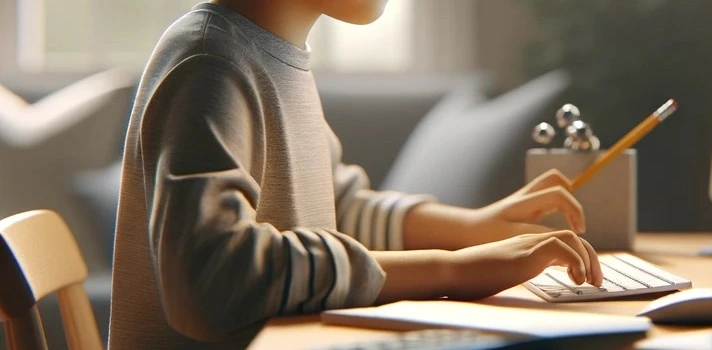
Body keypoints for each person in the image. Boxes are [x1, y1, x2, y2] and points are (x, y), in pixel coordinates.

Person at [106, 1, 603, 349]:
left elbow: (338, 204)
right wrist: (454, 271)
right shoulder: (210, 64)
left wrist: (469, 227)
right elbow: (209, 283)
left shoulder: (267, 52)